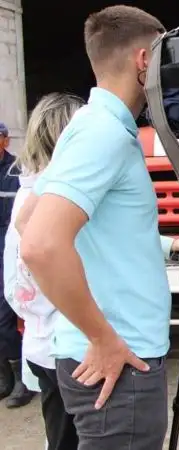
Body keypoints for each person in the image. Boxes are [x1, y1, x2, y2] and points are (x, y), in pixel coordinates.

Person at [5, 92, 179, 450]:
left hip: (65, 342)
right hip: (77, 345)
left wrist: (170, 244)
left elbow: (110, 239)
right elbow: (33, 254)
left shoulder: (54, 186)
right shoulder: (90, 149)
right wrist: (98, 334)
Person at [16, 6, 173, 449]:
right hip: (118, 362)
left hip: (106, 355)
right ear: (144, 61)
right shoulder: (102, 132)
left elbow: (29, 217)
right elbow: (39, 244)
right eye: (166, 57)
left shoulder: (88, 124)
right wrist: (102, 337)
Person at [0, 120, 35, 409]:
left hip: (10, 252)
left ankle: (24, 379)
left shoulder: (17, 171)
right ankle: (6, 378)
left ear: (5, 139)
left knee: (7, 319)